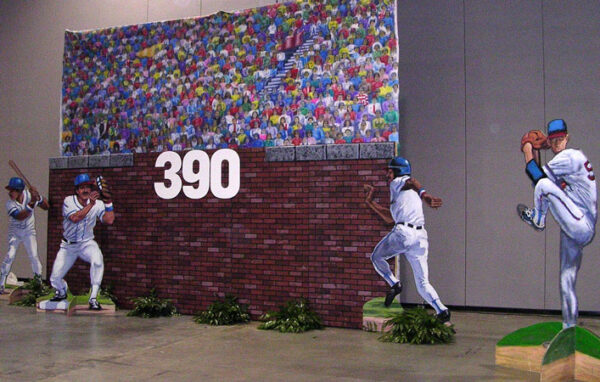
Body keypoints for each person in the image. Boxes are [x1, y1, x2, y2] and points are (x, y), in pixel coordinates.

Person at [518, 119, 596, 329]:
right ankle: (568, 331)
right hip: (573, 223)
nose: (557, 143)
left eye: (560, 139)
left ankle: (537, 220)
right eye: (553, 140)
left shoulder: (570, 156)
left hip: (581, 222)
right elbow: (543, 183)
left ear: (567, 138)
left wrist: (527, 149)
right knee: (566, 280)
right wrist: (536, 150)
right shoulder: (566, 160)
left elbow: (538, 177)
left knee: (543, 184)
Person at [364, 157, 451, 325]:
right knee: (423, 282)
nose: (387, 174)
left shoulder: (398, 182)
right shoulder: (405, 196)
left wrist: (426, 196)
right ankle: (442, 310)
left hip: (404, 234)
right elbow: (390, 219)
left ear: (398, 171)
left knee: (376, 257)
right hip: (420, 238)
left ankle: (395, 284)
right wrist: (369, 202)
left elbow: (412, 182)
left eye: (390, 170)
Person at [49, 173, 115, 310]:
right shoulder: (68, 201)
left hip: (86, 243)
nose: (85, 190)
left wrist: (108, 202)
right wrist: (91, 205)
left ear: (91, 189)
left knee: (98, 261)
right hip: (68, 245)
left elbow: (109, 220)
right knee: (54, 278)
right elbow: (75, 218)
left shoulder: (98, 203)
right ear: (77, 190)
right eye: (81, 187)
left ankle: (93, 298)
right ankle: (61, 291)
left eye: (88, 187)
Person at [0, 177, 49, 293]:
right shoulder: (10, 204)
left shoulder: (29, 195)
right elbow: (20, 216)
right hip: (15, 232)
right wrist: (32, 203)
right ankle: (1, 283)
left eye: (14, 190)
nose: (10, 193)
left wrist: (39, 198)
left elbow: (46, 206)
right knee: (10, 255)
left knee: (34, 256)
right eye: (10, 190)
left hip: (29, 231)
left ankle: (38, 283)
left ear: (20, 191)